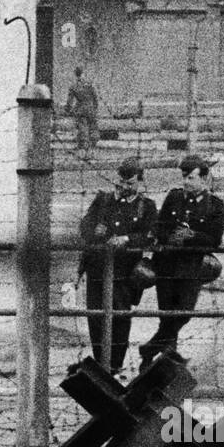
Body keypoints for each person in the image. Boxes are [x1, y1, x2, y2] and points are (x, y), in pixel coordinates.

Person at [137, 154, 224, 371]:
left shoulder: (215, 205)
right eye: (185, 177)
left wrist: (191, 236)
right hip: (166, 265)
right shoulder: (174, 198)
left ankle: (150, 349)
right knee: (166, 315)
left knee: (183, 313)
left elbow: (215, 239)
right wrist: (170, 237)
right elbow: (160, 226)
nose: (186, 182)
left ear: (204, 179)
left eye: (192, 178)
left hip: (191, 268)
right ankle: (164, 362)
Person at [74, 157, 157, 373]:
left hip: (125, 273)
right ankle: (102, 363)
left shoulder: (146, 206)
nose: (125, 187)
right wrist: (95, 231)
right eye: (122, 182)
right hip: (97, 268)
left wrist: (127, 239)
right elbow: (85, 226)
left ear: (139, 183)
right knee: (95, 316)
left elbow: (149, 235)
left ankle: (115, 365)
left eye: (130, 183)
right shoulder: (103, 200)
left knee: (120, 317)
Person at [63, 65, 100, 158]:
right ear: (83, 73)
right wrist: (94, 108)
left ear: (75, 74)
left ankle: (82, 153)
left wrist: (67, 111)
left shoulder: (73, 86)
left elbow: (69, 102)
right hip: (91, 110)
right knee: (93, 130)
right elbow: (96, 98)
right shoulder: (90, 84)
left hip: (80, 110)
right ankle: (92, 152)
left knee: (82, 131)